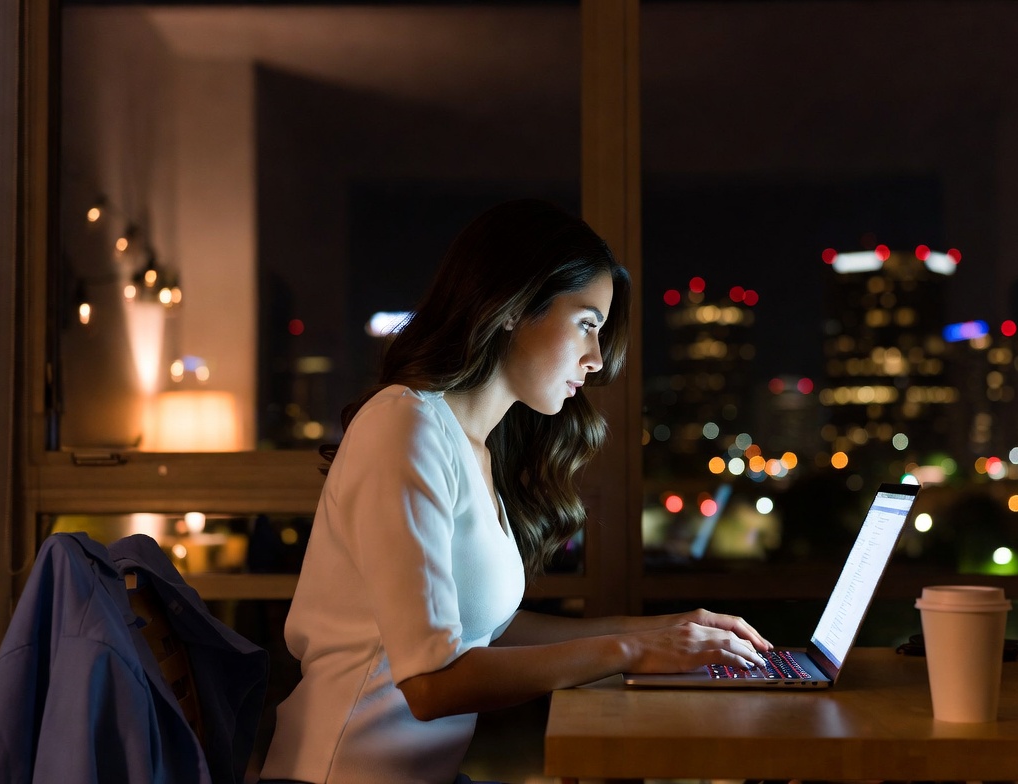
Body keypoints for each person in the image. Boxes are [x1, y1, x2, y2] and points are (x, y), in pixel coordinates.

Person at [259, 199, 771, 784]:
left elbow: (487, 633)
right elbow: (431, 685)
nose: (596, 359)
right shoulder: (404, 425)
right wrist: (630, 652)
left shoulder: (472, 444)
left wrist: (661, 631)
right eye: (587, 324)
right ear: (512, 308)